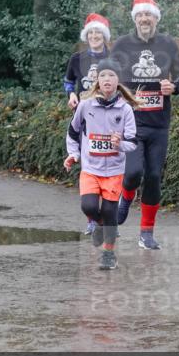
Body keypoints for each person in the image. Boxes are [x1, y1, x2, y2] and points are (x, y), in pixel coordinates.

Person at [110, 0, 179, 250]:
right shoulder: (122, 45)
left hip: (158, 123)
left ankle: (146, 233)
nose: (145, 19)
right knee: (133, 174)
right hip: (130, 123)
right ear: (135, 19)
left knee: (153, 176)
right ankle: (126, 195)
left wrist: (172, 87)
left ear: (156, 18)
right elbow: (108, 76)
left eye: (149, 15)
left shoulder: (167, 44)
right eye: (141, 16)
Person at [65, 58, 139, 270]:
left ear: (118, 81)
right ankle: (98, 226)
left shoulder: (125, 110)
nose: (107, 79)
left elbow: (133, 143)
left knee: (109, 213)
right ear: (97, 80)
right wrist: (73, 155)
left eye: (112, 76)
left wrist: (120, 143)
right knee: (88, 206)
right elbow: (73, 132)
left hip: (114, 171)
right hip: (90, 168)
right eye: (103, 75)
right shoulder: (86, 106)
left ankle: (108, 253)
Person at [64, 13, 112, 235]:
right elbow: (68, 81)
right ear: (87, 35)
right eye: (91, 32)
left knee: (108, 163)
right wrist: (71, 95)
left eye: (98, 32)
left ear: (104, 35)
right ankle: (93, 217)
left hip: (109, 117)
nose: (94, 36)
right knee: (89, 164)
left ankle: (105, 210)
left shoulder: (114, 57)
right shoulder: (77, 58)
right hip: (84, 117)